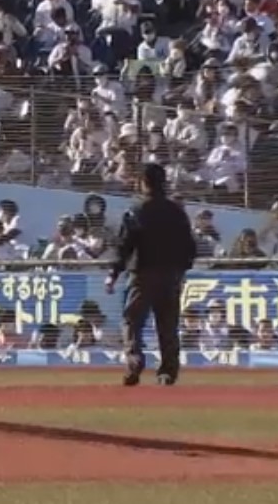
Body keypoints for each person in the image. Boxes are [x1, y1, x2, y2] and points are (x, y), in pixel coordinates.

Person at [106, 163, 196, 387]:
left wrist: (114, 273)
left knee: (132, 320)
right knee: (167, 325)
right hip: (171, 275)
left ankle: (134, 363)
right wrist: (182, 269)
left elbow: (125, 245)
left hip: (143, 273)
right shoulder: (177, 212)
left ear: (142, 182)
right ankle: (167, 372)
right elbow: (189, 245)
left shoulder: (136, 211)